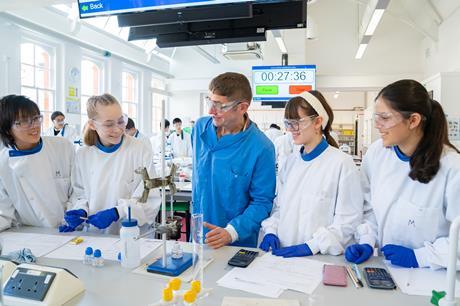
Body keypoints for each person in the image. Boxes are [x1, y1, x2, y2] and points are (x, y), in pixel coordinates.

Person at [345, 79, 460, 269]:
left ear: (413, 120)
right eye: (376, 118)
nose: (377, 125)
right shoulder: (377, 153)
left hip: (433, 280)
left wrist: (421, 257)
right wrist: (367, 238)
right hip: (386, 269)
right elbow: (369, 206)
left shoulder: (452, 168)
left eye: (385, 118)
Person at [260, 91, 363, 257]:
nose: (290, 129)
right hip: (284, 254)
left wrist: (312, 246)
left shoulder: (341, 163)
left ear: (318, 122)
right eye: (288, 123)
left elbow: (348, 221)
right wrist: (271, 230)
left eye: (296, 122)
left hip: (320, 257)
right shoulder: (290, 162)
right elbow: (280, 207)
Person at [192, 72, 276, 249]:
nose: (211, 111)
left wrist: (231, 232)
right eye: (210, 102)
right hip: (198, 234)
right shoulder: (200, 128)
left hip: (235, 241)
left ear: (242, 107)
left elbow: (262, 202)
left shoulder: (261, 147)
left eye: (220, 106)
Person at [60, 94, 161, 234]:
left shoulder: (139, 149)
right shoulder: (83, 154)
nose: (118, 129)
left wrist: (117, 212)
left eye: (121, 121)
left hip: (133, 236)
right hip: (94, 235)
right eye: (109, 124)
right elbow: (79, 194)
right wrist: (80, 210)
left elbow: (150, 199)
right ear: (92, 125)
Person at [0, 95, 74, 231]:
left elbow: (78, 189)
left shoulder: (62, 147)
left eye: (36, 119)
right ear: (6, 129)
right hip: (33, 235)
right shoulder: (3, 164)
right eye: (23, 122)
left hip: (72, 230)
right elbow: (4, 213)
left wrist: (74, 214)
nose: (34, 126)